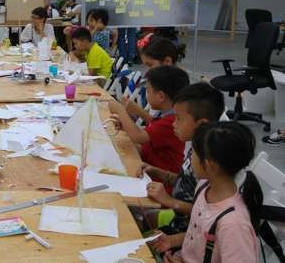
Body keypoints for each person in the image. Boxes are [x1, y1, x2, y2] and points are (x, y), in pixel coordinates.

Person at [151, 122, 262, 263]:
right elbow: (200, 235)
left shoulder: (233, 224)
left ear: (208, 165)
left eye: (193, 153)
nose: (190, 157)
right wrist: (171, 241)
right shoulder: (204, 186)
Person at [141, 82, 225, 234]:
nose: (174, 124)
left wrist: (169, 201)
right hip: (176, 217)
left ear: (201, 125)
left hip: (191, 232)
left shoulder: (209, 163)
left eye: (178, 119)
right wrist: (158, 172)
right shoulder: (196, 147)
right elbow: (187, 181)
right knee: (137, 218)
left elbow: (209, 213)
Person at [109, 65, 190, 181]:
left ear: (161, 96)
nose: (146, 94)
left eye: (148, 90)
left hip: (158, 182)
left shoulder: (171, 121)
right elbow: (148, 139)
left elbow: (138, 137)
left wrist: (119, 110)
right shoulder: (165, 115)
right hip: (147, 169)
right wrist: (125, 126)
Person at [123, 34, 188, 122]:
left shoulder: (176, 87)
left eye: (150, 65)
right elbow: (153, 113)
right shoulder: (163, 81)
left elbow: (164, 124)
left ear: (167, 61)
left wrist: (137, 111)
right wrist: (134, 114)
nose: (147, 71)